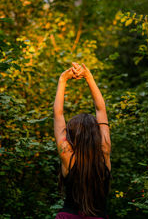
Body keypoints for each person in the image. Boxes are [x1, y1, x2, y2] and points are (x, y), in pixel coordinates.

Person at [53, 62, 111, 219]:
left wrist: (62, 80)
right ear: (97, 133)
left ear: (71, 135)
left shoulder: (67, 156)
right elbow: (101, 109)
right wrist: (88, 77)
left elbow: (58, 115)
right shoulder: (104, 150)